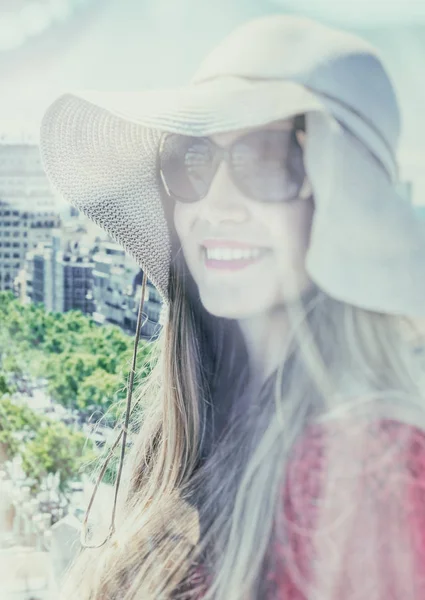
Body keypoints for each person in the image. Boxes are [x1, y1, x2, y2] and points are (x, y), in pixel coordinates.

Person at [40, 14, 425, 600]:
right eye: (192, 159)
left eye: (268, 159)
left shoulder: (377, 471)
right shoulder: (194, 434)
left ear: (347, 203)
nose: (214, 203)